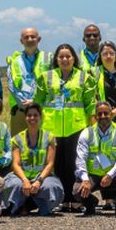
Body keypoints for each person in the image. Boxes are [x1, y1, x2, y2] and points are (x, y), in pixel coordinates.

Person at [36, 43, 94, 209]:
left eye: (68, 56)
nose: (64, 59)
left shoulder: (84, 78)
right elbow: (39, 102)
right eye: (61, 57)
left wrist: (91, 127)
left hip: (76, 127)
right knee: (56, 164)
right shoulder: (46, 77)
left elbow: (90, 104)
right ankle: (60, 199)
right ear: (56, 59)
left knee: (73, 163)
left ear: (74, 58)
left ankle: (74, 199)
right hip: (51, 127)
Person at [75, 101, 116, 216]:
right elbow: (80, 159)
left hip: (113, 175)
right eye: (99, 114)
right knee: (77, 191)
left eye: (106, 113)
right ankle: (91, 204)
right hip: (93, 175)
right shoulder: (87, 133)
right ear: (95, 115)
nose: (103, 116)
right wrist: (85, 180)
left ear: (111, 113)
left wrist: (110, 175)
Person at [4, 102, 64, 215]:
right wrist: (25, 180)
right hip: (22, 176)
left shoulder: (49, 137)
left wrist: (39, 181)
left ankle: (32, 204)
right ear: (25, 118)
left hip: (42, 176)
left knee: (52, 187)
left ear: (40, 117)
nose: (32, 118)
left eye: (35, 115)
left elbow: (50, 164)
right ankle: (18, 205)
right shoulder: (17, 139)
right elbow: (16, 164)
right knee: (14, 185)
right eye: (29, 115)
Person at [5, 26, 48, 130]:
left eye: (33, 37)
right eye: (26, 37)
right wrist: (24, 102)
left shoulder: (49, 58)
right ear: (21, 41)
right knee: (18, 143)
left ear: (39, 39)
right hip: (21, 110)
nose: (29, 39)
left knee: (43, 143)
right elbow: (11, 85)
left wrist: (35, 101)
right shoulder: (14, 61)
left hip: (43, 111)